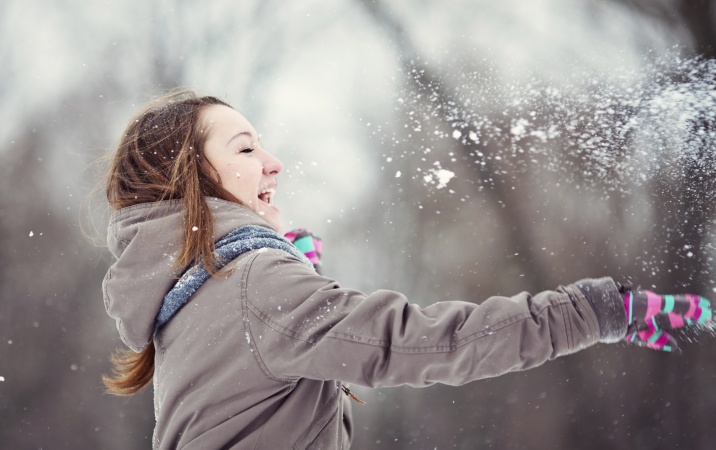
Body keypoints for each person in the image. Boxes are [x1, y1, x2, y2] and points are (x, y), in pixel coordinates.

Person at [101, 90, 711, 450]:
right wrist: (598, 311)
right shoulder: (256, 288)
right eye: (244, 147)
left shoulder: (189, 296)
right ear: (191, 175)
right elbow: (428, 343)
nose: (273, 162)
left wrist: (301, 285)